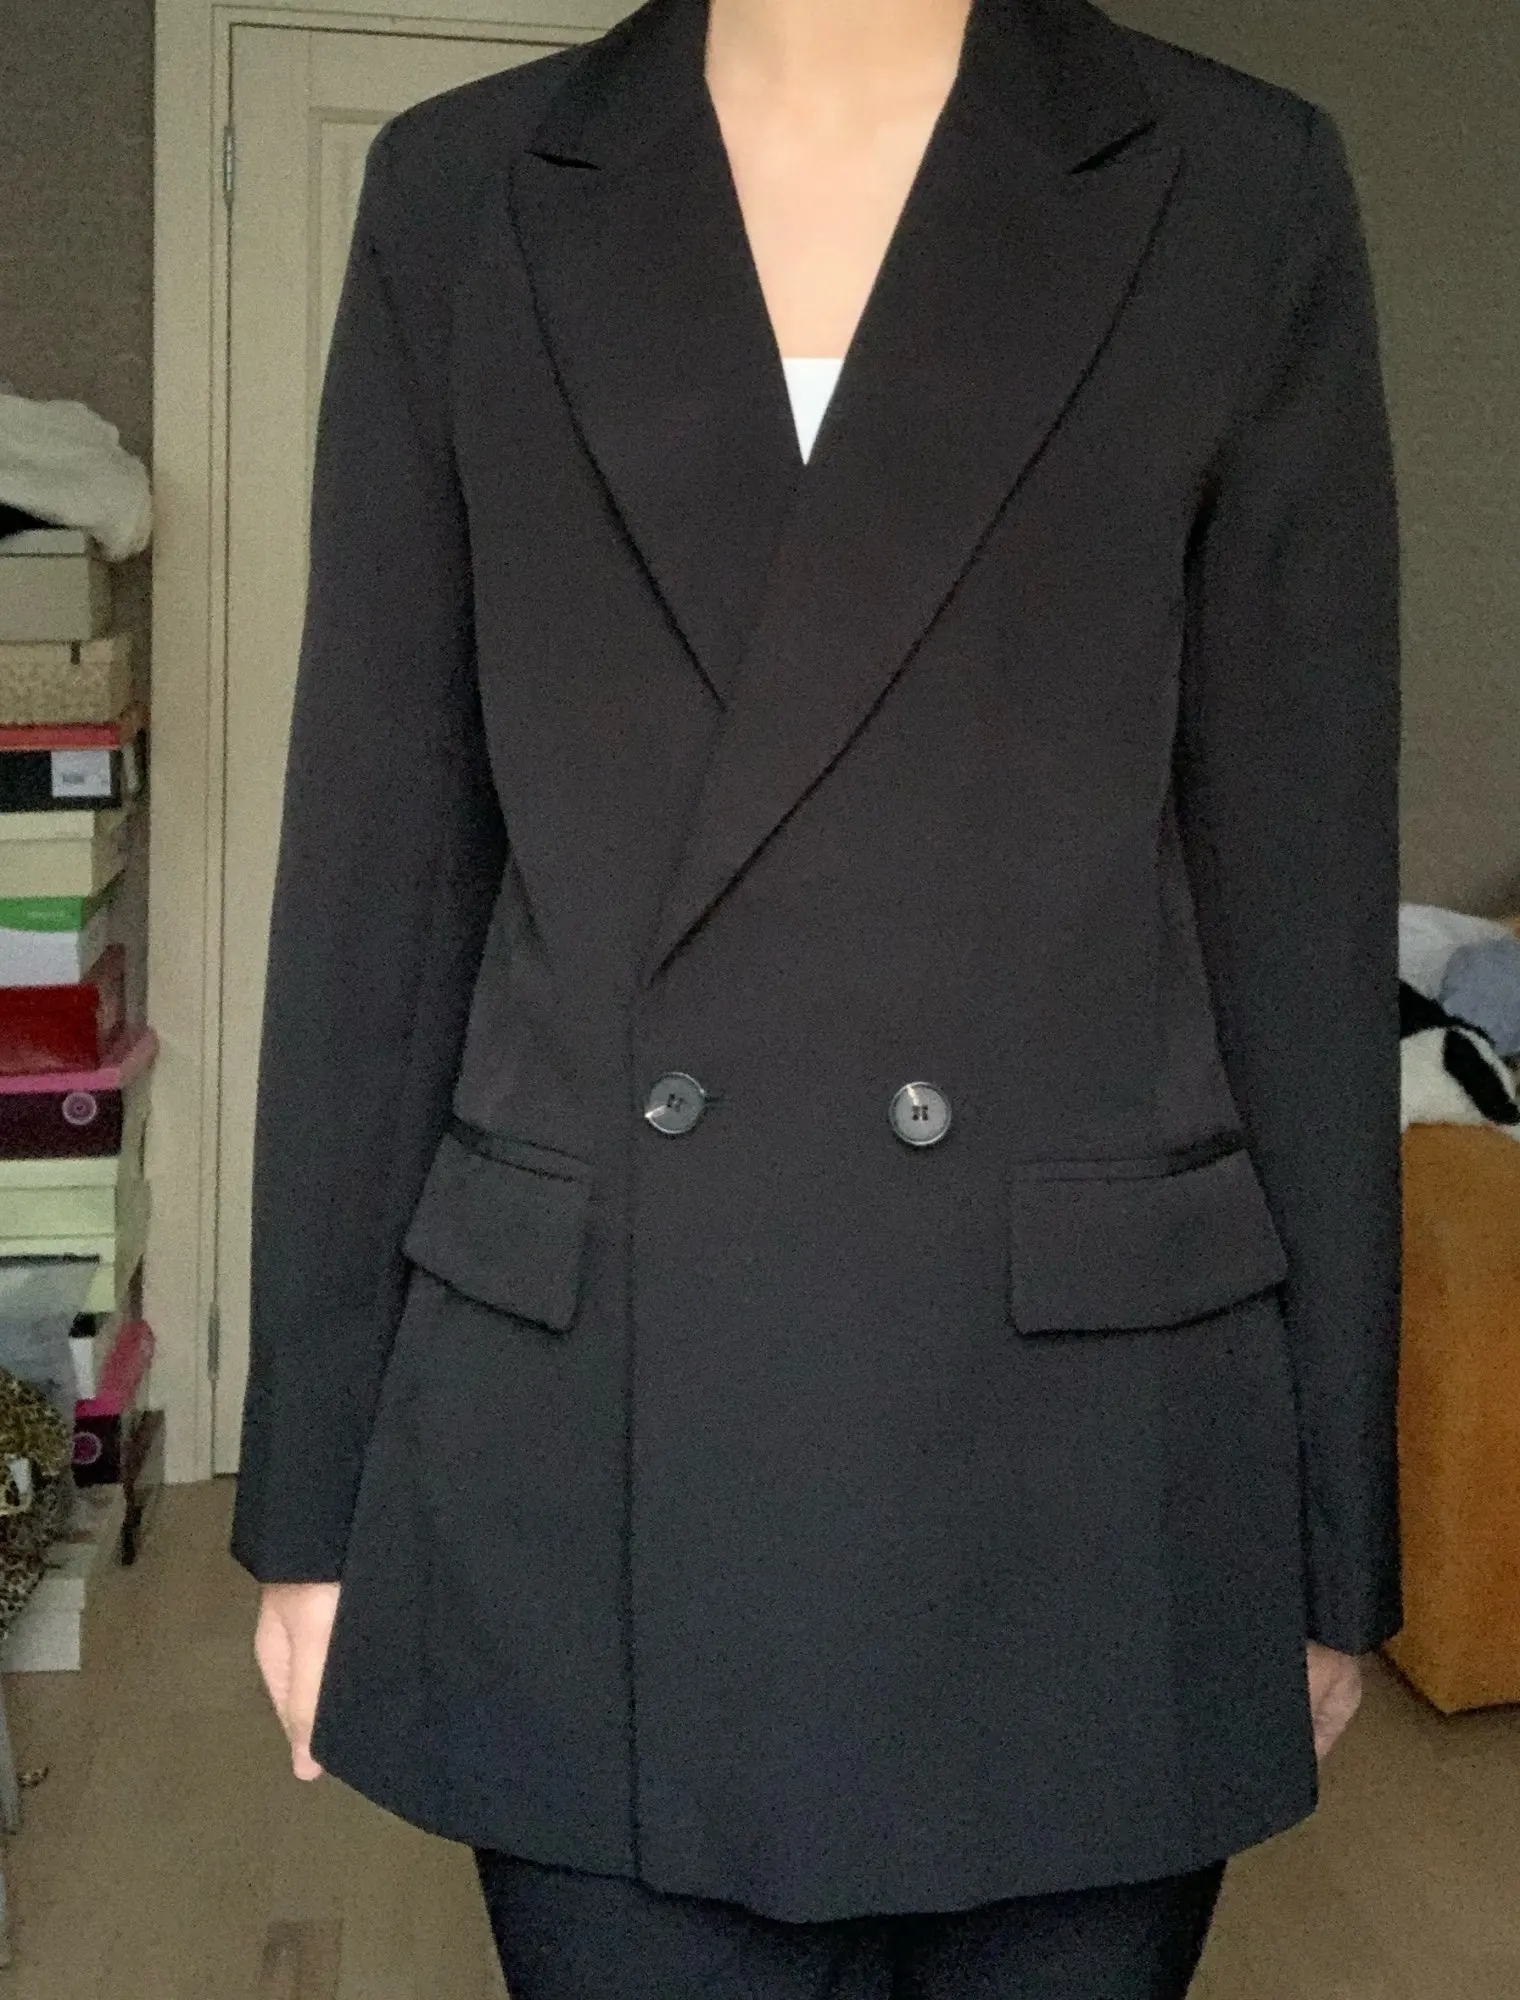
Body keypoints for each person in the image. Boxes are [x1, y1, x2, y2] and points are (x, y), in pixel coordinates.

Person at [231, 0, 1403, 1990]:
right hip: (587, 1440)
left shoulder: (1237, 189)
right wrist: (313, 1499)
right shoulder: (464, 195)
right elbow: (381, 885)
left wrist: (1327, 1528)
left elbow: (1299, 901)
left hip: (1084, 1464)